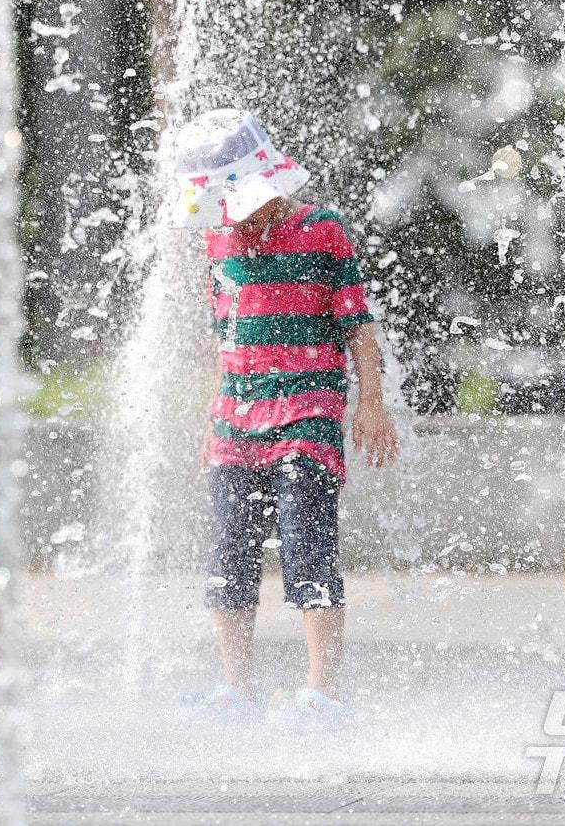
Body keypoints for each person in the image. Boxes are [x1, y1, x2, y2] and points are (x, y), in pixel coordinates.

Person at [173, 109, 399, 721]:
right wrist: (212, 418)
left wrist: (370, 405)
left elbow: (358, 327)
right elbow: (230, 335)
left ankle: (322, 690)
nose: (232, 212)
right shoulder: (216, 237)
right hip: (234, 419)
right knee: (229, 555)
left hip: (308, 411)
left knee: (307, 545)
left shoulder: (322, 229)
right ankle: (235, 689)